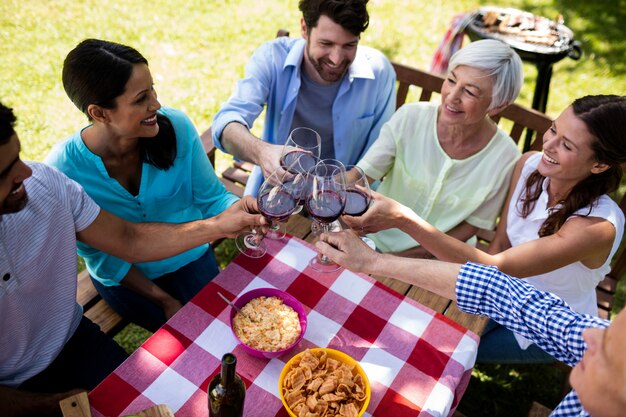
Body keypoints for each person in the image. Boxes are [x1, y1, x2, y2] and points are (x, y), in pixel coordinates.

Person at [0, 102, 263, 417]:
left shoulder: (45, 184)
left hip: (73, 339)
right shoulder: (64, 164)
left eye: (18, 157)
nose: (25, 172)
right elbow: (106, 260)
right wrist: (45, 406)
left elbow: (128, 240)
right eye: (5, 172)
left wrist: (219, 225)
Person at [344, 95, 626, 363]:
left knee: (436, 350)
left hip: (547, 324)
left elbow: (496, 266)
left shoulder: (596, 227)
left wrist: (402, 218)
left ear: (599, 164)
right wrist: (477, 308)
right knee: (410, 331)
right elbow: (500, 244)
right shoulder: (529, 166)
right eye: (553, 130)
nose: (549, 145)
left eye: (567, 145)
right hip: (497, 289)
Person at [315, 230, 626, 417]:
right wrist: (373, 262)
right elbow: (496, 289)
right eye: (608, 330)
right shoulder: (593, 344)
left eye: (609, 350)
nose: (592, 337)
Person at [45, 39, 240, 332]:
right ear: (99, 113)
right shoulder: (64, 170)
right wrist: (162, 299)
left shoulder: (175, 126)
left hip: (190, 254)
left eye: (152, 90)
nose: (156, 104)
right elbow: (101, 257)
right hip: (128, 279)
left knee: (225, 327)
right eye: (140, 99)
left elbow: (213, 198)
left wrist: (240, 210)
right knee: (188, 340)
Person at [352, 39, 523, 257]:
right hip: (371, 241)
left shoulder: (506, 160)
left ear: (497, 105)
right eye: (451, 80)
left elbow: (469, 228)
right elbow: (360, 175)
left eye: (469, 92)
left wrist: (398, 261)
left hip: (436, 259)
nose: (452, 97)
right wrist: (320, 189)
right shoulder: (410, 117)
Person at [211, 0, 396, 196]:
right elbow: (225, 125)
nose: (336, 59)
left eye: (349, 45)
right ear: (304, 29)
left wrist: (332, 190)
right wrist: (263, 153)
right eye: (326, 43)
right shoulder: (272, 57)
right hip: (276, 189)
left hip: (346, 193)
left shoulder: (380, 74)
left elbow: (380, 154)